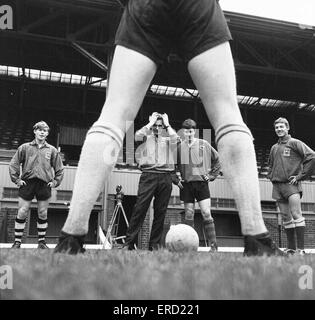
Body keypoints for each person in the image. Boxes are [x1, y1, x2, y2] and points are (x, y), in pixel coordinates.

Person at [54, 0, 283, 256]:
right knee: (227, 115)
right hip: (198, 6)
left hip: (145, 6)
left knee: (113, 116)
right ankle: (257, 238)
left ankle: (70, 238)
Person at [121, 112, 178, 250]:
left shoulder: (168, 139)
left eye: (160, 125)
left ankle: (154, 245)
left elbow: (177, 139)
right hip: (148, 176)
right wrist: (150, 123)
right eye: (155, 126)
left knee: (160, 212)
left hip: (165, 177)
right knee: (139, 209)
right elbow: (135, 136)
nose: (157, 128)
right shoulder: (146, 137)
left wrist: (167, 123)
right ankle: (129, 243)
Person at [9, 121, 64, 249]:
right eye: (39, 130)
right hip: (27, 183)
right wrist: (16, 179)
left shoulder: (52, 150)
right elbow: (14, 164)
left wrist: (55, 182)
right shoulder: (24, 147)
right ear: (35, 131)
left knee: (43, 213)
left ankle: (41, 242)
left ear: (47, 133)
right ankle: (17, 242)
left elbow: (59, 169)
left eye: (44, 131)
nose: (42, 132)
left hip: (44, 184)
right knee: (22, 211)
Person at [267, 117, 315, 255]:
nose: (279, 129)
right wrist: (271, 175)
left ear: (287, 128)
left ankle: (301, 249)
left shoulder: (294, 143)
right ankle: (291, 248)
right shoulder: (274, 147)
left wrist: (300, 176)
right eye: (276, 127)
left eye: (281, 127)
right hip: (277, 186)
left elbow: (311, 156)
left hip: (291, 185)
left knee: (296, 214)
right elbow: (270, 164)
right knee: (285, 217)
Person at [175, 119, 221, 251]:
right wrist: (176, 178)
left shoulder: (204, 144)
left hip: (201, 184)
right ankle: (190, 246)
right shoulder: (179, 147)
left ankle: (213, 245)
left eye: (190, 131)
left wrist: (212, 175)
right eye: (186, 131)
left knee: (206, 213)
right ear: (183, 132)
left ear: (194, 131)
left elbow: (217, 159)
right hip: (187, 185)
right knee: (189, 214)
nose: (188, 134)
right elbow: (172, 165)